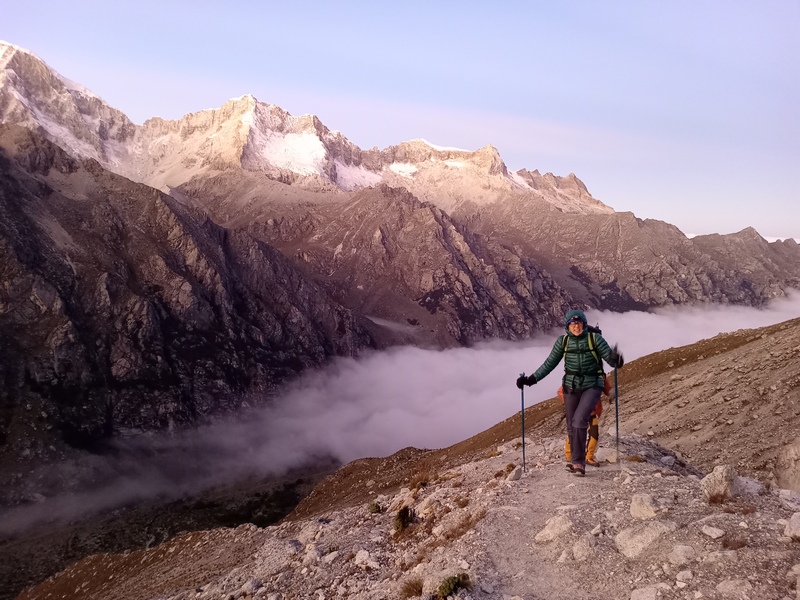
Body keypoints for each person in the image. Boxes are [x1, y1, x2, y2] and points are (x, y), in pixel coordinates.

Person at [516, 309, 624, 477]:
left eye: (579, 323)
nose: (576, 326)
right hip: (570, 387)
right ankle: (575, 461)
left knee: (580, 420)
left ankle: (579, 463)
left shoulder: (595, 339)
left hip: (592, 385)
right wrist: (530, 380)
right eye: (572, 324)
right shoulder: (563, 342)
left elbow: (611, 360)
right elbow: (549, 364)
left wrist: (616, 359)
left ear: (584, 324)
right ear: (567, 326)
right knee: (571, 425)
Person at [558, 371, 614, 466]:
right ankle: (570, 455)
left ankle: (588, 457)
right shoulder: (576, 375)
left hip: (592, 411)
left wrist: (612, 393)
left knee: (594, 433)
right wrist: (570, 403)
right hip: (578, 411)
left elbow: (606, 389)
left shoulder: (600, 375)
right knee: (575, 431)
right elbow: (561, 391)